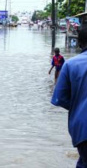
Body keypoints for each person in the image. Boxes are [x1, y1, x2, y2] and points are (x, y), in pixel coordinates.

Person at [51, 29, 87, 168]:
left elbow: (59, 98)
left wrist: (78, 105)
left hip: (82, 128)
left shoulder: (71, 64)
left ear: (79, 43)